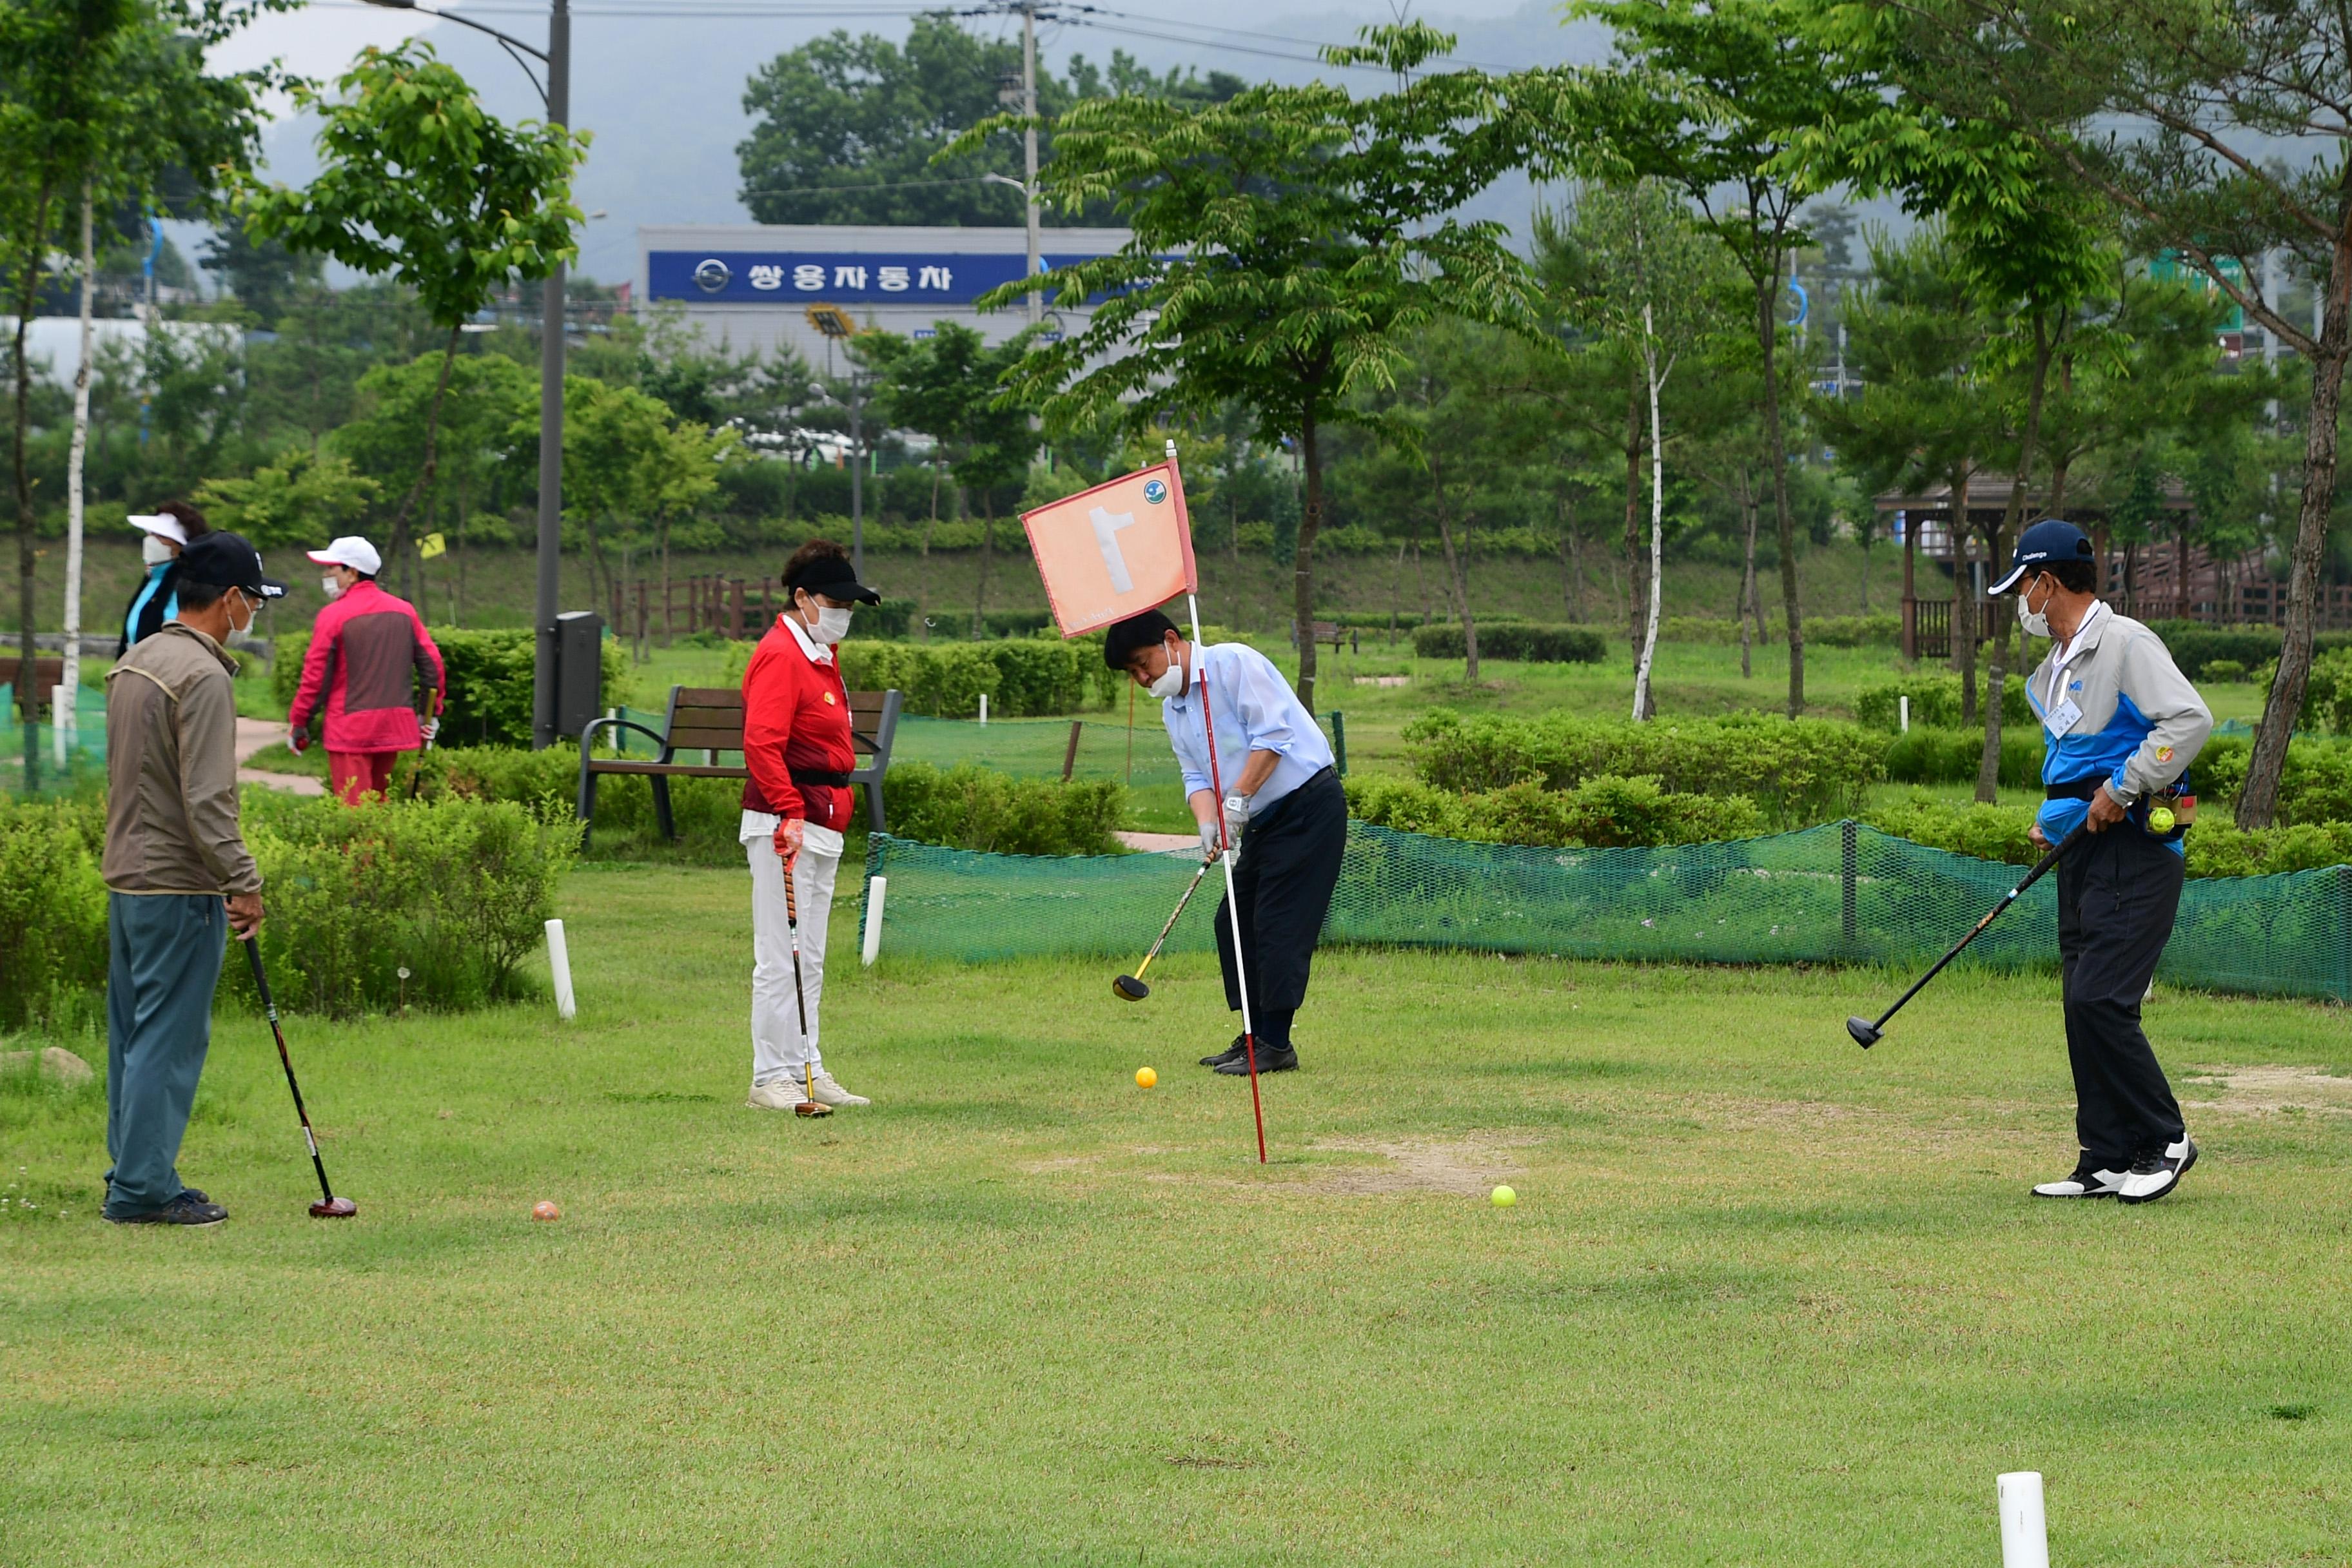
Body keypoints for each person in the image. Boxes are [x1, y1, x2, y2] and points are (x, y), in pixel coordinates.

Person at [1994, 518, 2213, 1206]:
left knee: (2102, 998)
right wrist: (2053, 820)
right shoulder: (2056, 666)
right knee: (2080, 1004)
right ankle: (2107, 1156)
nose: (2020, 601)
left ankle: (2166, 1138)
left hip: (2135, 854)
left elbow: (2187, 721)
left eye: (2022, 586)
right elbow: (2077, 768)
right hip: (2083, 850)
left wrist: (2123, 787)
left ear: (2047, 582)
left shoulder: (2123, 642)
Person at [101, 532, 286, 1226]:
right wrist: (244, 878)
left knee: (134, 1035)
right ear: (231, 599)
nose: (255, 614)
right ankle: (143, 1189)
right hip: (179, 883)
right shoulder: (203, 674)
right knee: (168, 1040)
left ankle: (135, 1168)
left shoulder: (138, 659)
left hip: (128, 878)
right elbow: (209, 799)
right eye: (255, 601)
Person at [1104, 609, 1344, 1075]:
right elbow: (1195, 775)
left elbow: (1274, 736)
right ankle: (1254, 1037)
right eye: (1131, 673)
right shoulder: (1173, 709)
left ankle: (1276, 1044)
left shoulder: (1233, 664)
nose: (1140, 677)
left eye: (1141, 663)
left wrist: (1237, 802)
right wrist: (1211, 823)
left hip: (1308, 805)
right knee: (1231, 921)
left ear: (1171, 641)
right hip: (1260, 820)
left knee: (1277, 923)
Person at [740, 540, 882, 1111]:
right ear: (802, 598)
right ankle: (770, 1076)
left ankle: (807, 1066)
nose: (844, 613)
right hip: (785, 821)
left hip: (823, 818)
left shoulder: (821, 652)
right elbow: (761, 742)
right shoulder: (781, 652)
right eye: (834, 601)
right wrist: (788, 811)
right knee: (781, 954)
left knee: (812, 954)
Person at [286, 536, 446, 805]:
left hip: (349, 731)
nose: (326, 575)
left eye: (332, 568)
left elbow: (315, 679)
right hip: (393, 727)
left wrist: (300, 721)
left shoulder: (333, 616)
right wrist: (429, 714)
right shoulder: (405, 611)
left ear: (352, 572)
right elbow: (433, 666)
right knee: (379, 806)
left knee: (355, 818)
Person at [115, 502, 210, 655]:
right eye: (151, 533)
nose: (151, 540)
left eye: (161, 536)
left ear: (181, 545)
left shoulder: (185, 584)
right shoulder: (153, 577)